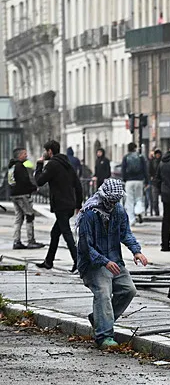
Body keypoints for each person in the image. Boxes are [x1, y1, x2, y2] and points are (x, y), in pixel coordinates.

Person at [76, 179, 148, 349]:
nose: (114, 204)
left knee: (128, 290)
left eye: (116, 201)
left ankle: (99, 319)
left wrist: (136, 251)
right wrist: (104, 261)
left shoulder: (119, 211)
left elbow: (126, 233)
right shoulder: (89, 214)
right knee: (103, 292)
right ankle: (104, 335)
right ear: (104, 197)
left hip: (114, 260)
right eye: (112, 201)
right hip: (93, 264)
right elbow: (86, 247)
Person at [34, 140, 83, 271]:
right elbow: (78, 185)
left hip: (60, 204)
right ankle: (48, 261)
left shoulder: (52, 165)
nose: (44, 153)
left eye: (45, 151)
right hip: (69, 204)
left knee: (66, 233)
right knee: (55, 233)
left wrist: (39, 164)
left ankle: (78, 261)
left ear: (50, 151)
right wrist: (78, 204)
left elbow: (39, 181)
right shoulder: (68, 164)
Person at [7, 147, 45, 250]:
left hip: (14, 194)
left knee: (18, 218)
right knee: (29, 215)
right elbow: (25, 181)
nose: (26, 156)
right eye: (24, 154)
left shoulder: (12, 167)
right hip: (22, 194)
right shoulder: (20, 167)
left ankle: (17, 241)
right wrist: (34, 188)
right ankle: (31, 241)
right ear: (19, 155)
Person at [121, 142, 147, 225]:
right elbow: (145, 169)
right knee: (139, 197)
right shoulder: (140, 157)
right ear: (135, 148)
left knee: (129, 200)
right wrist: (146, 180)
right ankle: (138, 210)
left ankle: (131, 219)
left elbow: (123, 170)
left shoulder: (126, 157)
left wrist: (124, 179)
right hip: (139, 180)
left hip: (129, 181)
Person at [147, 149, 162, 216]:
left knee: (160, 199)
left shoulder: (162, 161)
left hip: (161, 182)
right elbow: (149, 171)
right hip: (155, 182)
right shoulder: (152, 161)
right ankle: (156, 212)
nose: (158, 155)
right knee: (154, 199)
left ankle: (157, 212)